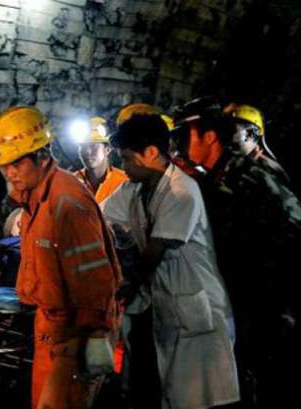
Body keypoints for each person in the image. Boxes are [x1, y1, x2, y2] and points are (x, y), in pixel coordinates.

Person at [0, 106, 121, 409]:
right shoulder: (36, 199)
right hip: (51, 326)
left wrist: (87, 340)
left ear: (42, 156)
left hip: (74, 333)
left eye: (17, 163)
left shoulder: (66, 203)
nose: (9, 172)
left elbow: (96, 281)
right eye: (5, 164)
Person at [102, 114, 239, 409]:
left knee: (196, 396)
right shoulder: (134, 189)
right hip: (160, 304)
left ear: (151, 152)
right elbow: (97, 217)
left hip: (195, 306)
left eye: (127, 159)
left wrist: (120, 288)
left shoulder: (182, 191)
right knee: (158, 389)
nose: (124, 167)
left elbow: (153, 254)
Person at [170, 98, 301, 409]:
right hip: (237, 307)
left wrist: (280, 306)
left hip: (263, 311)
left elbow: (293, 232)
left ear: (209, 137)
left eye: (185, 136)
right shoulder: (216, 180)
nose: (180, 146)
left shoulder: (249, 177)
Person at [223, 103, 290, 182]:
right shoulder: (228, 154)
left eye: (248, 131)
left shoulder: (270, 167)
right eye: (233, 128)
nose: (239, 135)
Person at [74, 116, 129, 204]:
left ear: (107, 149)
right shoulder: (71, 182)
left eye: (93, 146)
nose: (87, 152)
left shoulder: (124, 182)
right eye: (83, 147)